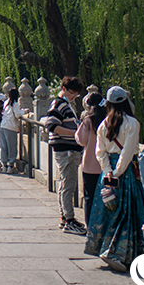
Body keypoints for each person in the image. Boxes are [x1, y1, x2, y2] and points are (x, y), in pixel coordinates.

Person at [85, 85, 144, 271]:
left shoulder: (103, 124)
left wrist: (107, 172)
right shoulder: (132, 123)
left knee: (109, 212)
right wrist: (117, 173)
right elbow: (128, 151)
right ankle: (117, 252)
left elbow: (100, 151)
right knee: (126, 213)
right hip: (125, 174)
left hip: (106, 175)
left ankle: (105, 248)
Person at [41, 75, 87, 236]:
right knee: (68, 183)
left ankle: (65, 217)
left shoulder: (65, 104)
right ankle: (69, 218)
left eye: (76, 94)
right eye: (72, 93)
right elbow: (51, 125)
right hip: (66, 149)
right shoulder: (59, 104)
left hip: (68, 148)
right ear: (64, 89)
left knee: (66, 182)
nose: (74, 97)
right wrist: (75, 133)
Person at [74, 92, 106, 227]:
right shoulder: (107, 119)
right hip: (105, 164)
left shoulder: (88, 120)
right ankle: (103, 223)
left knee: (89, 196)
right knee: (105, 196)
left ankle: (90, 225)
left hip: (89, 164)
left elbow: (81, 140)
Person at [0, 88, 28, 174]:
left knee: (4, 147)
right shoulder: (15, 104)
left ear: (8, 95)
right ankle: (11, 165)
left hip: (3, 126)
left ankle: (4, 165)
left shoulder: (6, 103)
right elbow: (17, 114)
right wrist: (25, 111)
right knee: (12, 147)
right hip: (11, 127)